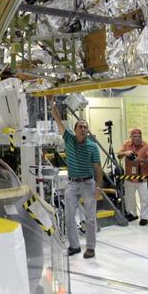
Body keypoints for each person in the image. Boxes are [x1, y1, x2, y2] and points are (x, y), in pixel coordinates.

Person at [50, 98, 104, 259]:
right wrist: (52, 104)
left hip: (88, 183)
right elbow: (58, 120)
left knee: (89, 217)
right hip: (72, 184)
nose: (83, 129)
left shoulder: (92, 146)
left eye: (85, 127)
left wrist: (99, 187)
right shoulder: (69, 139)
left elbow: (98, 168)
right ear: (75, 129)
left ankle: (90, 248)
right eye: (80, 126)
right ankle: (74, 246)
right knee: (69, 215)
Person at [118, 128, 148, 225]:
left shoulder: (147, 146)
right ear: (131, 137)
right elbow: (119, 155)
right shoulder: (127, 145)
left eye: (139, 136)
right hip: (130, 177)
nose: (137, 138)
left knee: (145, 198)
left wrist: (140, 160)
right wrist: (125, 153)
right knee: (129, 198)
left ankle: (144, 217)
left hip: (143, 177)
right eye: (135, 137)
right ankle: (132, 214)